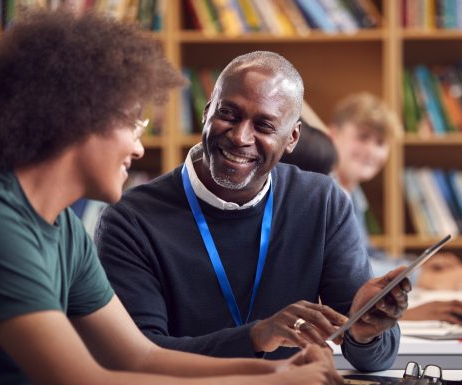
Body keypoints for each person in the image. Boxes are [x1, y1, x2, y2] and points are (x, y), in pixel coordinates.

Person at [0, 11, 342, 385]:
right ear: (77, 118)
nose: (138, 148)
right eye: (133, 123)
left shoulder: (63, 228)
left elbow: (139, 357)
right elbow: (81, 379)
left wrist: (275, 370)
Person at [96, 51, 410, 372]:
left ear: (292, 139)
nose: (240, 137)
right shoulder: (130, 218)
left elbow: (374, 359)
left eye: (264, 125)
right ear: (206, 113)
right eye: (228, 114)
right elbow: (137, 356)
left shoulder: (323, 202)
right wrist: (256, 337)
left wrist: (365, 333)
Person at [326, 93, 462, 322]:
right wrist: (423, 277)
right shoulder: (323, 194)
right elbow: (347, 269)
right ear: (332, 134)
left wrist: (415, 264)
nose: (371, 151)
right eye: (362, 137)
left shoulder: (352, 192)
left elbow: (366, 254)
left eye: (380, 142)